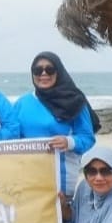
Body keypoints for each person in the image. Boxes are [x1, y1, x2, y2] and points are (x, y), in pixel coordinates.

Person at [13, 51, 99, 197]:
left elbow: (88, 138)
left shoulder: (75, 101)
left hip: (61, 182)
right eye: (38, 70)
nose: (43, 74)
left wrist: (69, 142)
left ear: (59, 71)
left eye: (50, 69)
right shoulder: (22, 103)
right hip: (29, 181)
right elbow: (11, 136)